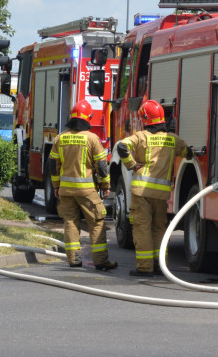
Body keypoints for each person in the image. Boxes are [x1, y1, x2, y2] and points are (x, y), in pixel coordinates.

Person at [116, 100, 194, 277]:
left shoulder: (141, 136)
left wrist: (132, 165)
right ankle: (160, 265)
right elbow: (188, 153)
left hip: (141, 192)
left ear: (145, 118)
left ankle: (144, 267)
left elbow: (122, 146)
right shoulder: (172, 139)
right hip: (161, 194)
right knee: (159, 228)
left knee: (142, 228)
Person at [49, 100, 117, 270]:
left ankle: (73, 259)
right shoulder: (92, 138)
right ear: (88, 118)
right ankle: (101, 261)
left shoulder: (60, 138)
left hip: (66, 190)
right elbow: (101, 166)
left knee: (70, 222)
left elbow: (53, 164)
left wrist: (56, 186)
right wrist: (105, 185)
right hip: (87, 190)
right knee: (97, 222)